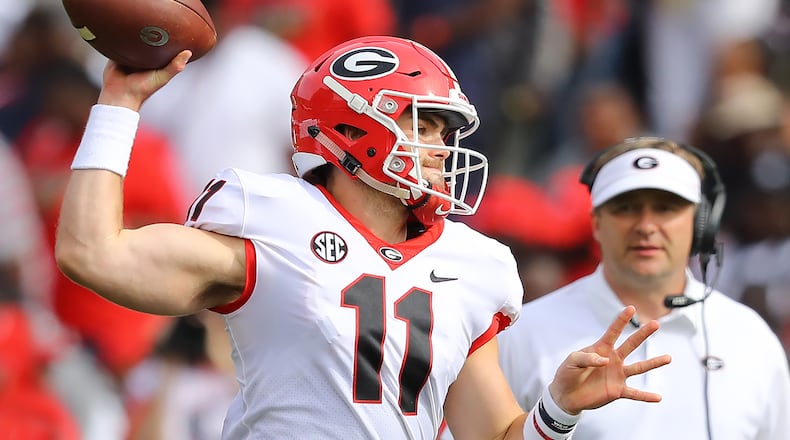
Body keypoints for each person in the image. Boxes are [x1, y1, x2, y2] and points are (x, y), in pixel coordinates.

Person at [55, 36, 671, 439]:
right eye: (424, 125)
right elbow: (93, 253)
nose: (442, 148)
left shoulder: (475, 265)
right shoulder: (271, 217)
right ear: (352, 129)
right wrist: (119, 104)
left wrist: (557, 409)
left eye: (445, 131)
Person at [498, 136, 790, 439]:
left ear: (700, 224)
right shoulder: (522, 334)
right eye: (626, 208)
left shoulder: (751, 337)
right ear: (596, 223)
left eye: (665, 208)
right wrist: (556, 413)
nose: (646, 226)